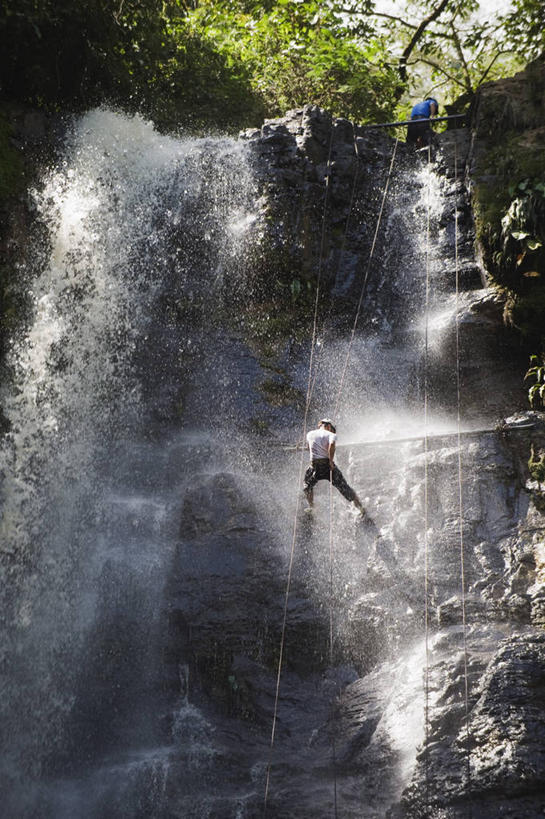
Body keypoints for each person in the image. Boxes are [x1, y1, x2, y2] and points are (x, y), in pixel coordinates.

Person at [303, 418, 367, 515]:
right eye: (332, 429)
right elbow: (331, 445)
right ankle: (360, 507)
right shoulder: (331, 435)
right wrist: (331, 461)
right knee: (345, 488)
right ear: (328, 426)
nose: (332, 431)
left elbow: (309, 448)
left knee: (307, 486)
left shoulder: (310, 434)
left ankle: (311, 506)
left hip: (314, 466)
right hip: (327, 466)